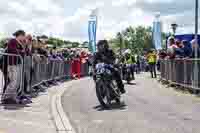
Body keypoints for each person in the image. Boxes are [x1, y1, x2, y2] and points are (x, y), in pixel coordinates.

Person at [2, 30, 26, 104]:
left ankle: (12, 96)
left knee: (17, 82)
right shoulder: (13, 40)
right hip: (12, 64)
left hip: (16, 64)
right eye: (23, 35)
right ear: (20, 35)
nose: (24, 37)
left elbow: (23, 52)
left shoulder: (19, 42)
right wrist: (21, 51)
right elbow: (12, 50)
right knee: (13, 81)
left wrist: (21, 51)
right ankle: (5, 97)